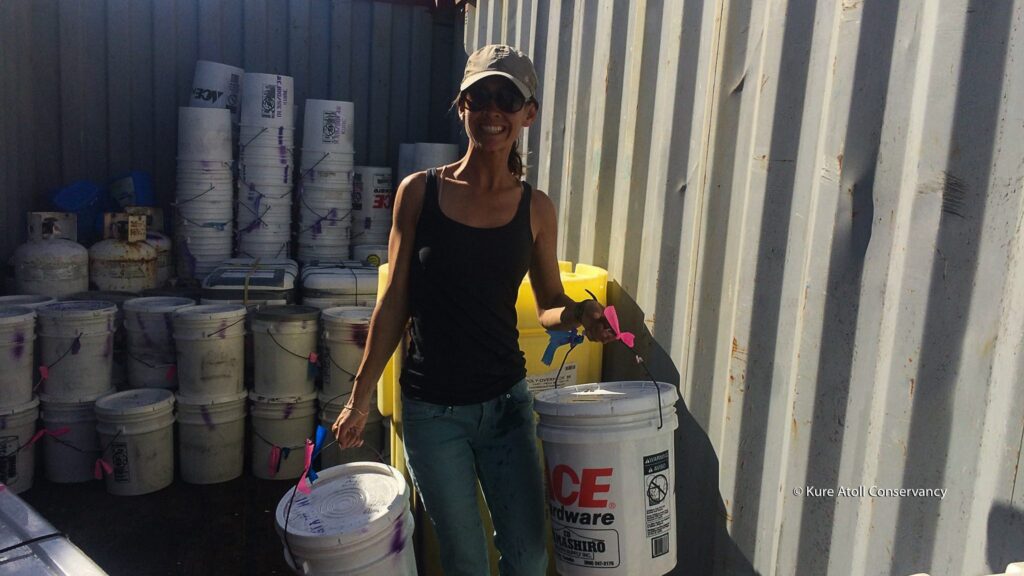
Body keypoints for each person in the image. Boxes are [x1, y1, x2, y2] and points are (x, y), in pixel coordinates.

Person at [332, 44, 615, 576]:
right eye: (480, 97)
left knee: (529, 558)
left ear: (529, 114)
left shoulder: (536, 208)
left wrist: (579, 314)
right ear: (462, 105)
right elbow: (394, 302)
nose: (492, 112)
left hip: (506, 406)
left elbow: (549, 304)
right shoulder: (419, 193)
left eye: (508, 99)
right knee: (466, 561)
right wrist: (359, 398)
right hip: (433, 414)